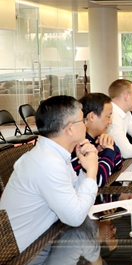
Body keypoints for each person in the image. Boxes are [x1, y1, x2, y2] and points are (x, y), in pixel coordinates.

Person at [0, 96, 99, 252]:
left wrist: (86, 169)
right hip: (25, 256)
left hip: (47, 238)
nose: (85, 125)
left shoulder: (53, 153)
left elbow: (75, 197)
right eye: (83, 120)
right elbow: (75, 217)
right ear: (70, 129)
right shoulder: (49, 163)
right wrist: (92, 171)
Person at [71, 93, 123, 188]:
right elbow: (98, 180)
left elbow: (118, 164)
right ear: (91, 117)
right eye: (108, 116)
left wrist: (110, 145)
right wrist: (109, 151)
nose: (110, 121)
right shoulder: (78, 145)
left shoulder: (98, 139)